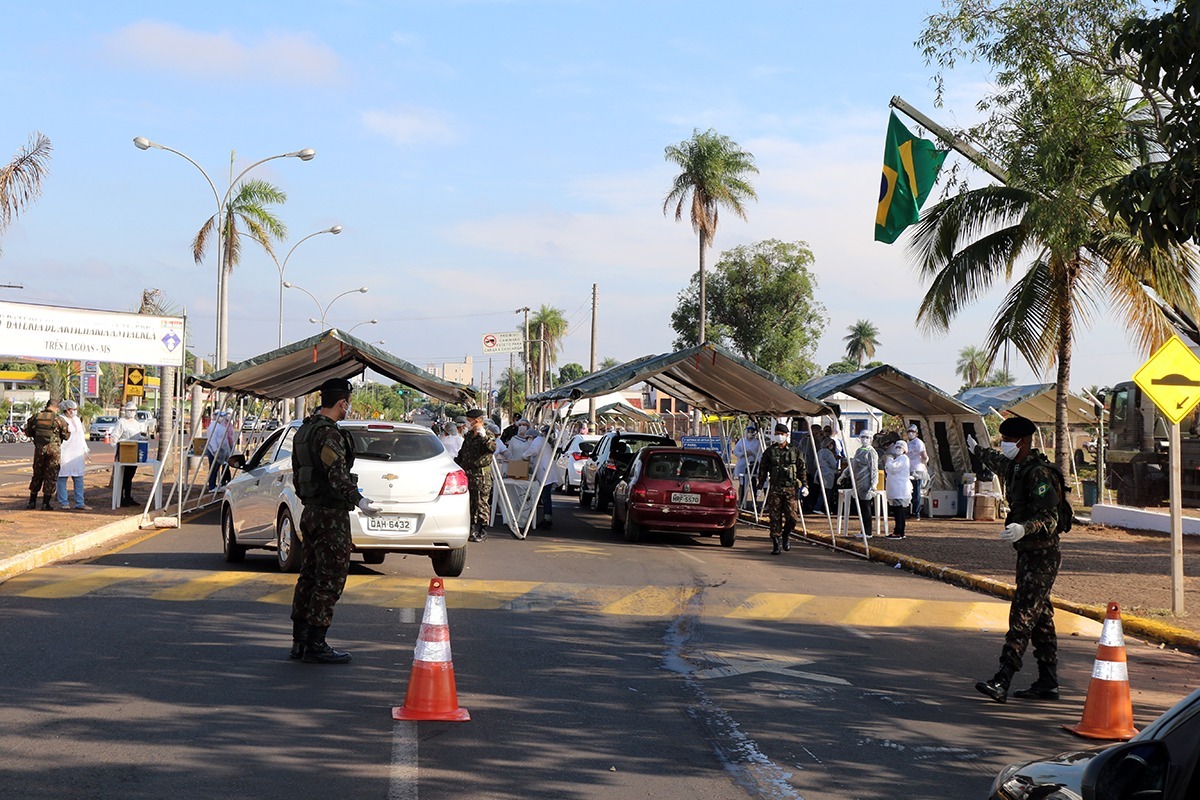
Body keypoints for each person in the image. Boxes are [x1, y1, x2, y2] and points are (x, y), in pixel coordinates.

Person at [969, 416, 1067, 703]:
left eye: (1008, 440)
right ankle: (1048, 682)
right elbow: (997, 460)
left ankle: (1003, 678)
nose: (1004, 444)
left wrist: (1025, 527)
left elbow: (1049, 517)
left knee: (1022, 615)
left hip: (1043, 555)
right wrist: (977, 449)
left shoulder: (1039, 474)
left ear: (1021, 442)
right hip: (1027, 553)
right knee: (1042, 619)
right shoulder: (1017, 466)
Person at [289, 378, 382, 664]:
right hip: (331, 515)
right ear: (342, 402)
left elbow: (298, 472)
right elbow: (337, 475)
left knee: (309, 575)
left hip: (311, 511)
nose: (348, 408)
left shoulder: (304, 431)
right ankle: (316, 643)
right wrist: (360, 501)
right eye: (348, 403)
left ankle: (300, 640)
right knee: (330, 578)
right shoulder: (328, 435)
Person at [759, 422, 807, 555]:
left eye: (782, 434)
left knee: (792, 517)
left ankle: (786, 535)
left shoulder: (795, 451)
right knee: (775, 517)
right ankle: (776, 543)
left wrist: (805, 485)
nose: (779, 436)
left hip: (790, 489)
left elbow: (802, 469)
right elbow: (763, 469)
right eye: (777, 434)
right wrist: (760, 485)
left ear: (787, 435)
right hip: (775, 488)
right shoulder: (770, 451)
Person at [456, 409, 497, 542]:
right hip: (468, 474)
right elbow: (463, 453)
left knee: (481, 502)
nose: (468, 423)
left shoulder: (487, 435)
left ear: (477, 421)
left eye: (469, 421)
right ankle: (472, 529)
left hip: (481, 475)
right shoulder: (469, 435)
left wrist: (484, 437)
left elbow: (492, 448)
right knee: (471, 503)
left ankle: (482, 529)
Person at [25, 398, 71, 510]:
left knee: (37, 474)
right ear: (56, 408)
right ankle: (46, 503)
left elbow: (28, 432)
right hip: (53, 451)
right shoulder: (58, 419)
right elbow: (66, 435)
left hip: (39, 450)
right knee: (51, 475)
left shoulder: (36, 417)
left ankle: (32, 502)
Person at [56, 400, 90, 511]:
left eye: (75, 409)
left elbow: (81, 437)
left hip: (77, 454)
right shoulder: (60, 420)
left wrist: (85, 450)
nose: (74, 411)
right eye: (72, 409)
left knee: (79, 478)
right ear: (66, 409)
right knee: (62, 478)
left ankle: (80, 502)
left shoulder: (77, 420)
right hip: (64, 453)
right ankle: (64, 502)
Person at [112, 402, 146, 507]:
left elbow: (138, 436)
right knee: (123, 476)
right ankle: (120, 498)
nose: (131, 412)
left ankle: (128, 497)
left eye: (133, 410)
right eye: (130, 410)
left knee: (130, 476)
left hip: (134, 453)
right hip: (124, 453)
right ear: (126, 411)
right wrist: (117, 450)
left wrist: (143, 438)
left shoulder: (136, 423)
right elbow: (114, 437)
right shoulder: (121, 422)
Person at [528, 424, 558, 528]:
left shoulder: (538, 441)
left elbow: (533, 451)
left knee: (545, 496)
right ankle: (547, 517)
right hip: (545, 471)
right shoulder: (542, 441)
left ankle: (547, 519)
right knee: (545, 496)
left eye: (529, 438)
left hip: (546, 472)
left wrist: (524, 455)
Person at [850, 432, 878, 537]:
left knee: (866, 508)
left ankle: (868, 531)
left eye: (867, 437)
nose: (864, 439)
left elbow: (874, 469)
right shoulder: (859, 451)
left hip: (866, 483)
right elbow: (853, 465)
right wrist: (844, 474)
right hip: (858, 482)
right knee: (861, 508)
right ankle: (863, 530)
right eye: (862, 437)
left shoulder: (871, 452)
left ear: (871, 439)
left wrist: (874, 483)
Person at [883, 439, 911, 539]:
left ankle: (898, 531)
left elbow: (893, 468)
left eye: (900, 447)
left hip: (900, 489)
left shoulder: (903, 459)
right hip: (895, 489)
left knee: (899, 511)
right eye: (897, 447)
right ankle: (899, 531)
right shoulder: (898, 459)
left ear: (904, 449)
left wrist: (889, 460)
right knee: (897, 511)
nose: (898, 449)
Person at [203, 410, 236, 492]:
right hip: (214, 451)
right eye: (220, 416)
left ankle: (215, 485)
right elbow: (212, 440)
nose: (222, 418)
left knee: (216, 468)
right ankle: (212, 486)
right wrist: (215, 450)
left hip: (221, 451)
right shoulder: (213, 426)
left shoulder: (220, 425)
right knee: (213, 468)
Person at [731, 424, 761, 507]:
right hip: (743, 464)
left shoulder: (757, 442)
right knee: (742, 484)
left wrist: (753, 454)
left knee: (753, 484)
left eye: (752, 432)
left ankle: (754, 502)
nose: (750, 433)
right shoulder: (742, 441)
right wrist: (743, 454)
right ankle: (741, 501)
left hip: (753, 464)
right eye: (749, 432)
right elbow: (736, 451)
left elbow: (759, 454)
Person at [905, 424, 929, 518]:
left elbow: (924, 455)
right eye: (909, 432)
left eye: (912, 432)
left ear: (916, 433)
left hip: (917, 470)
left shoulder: (918, 443)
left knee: (916, 491)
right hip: (909, 469)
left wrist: (924, 464)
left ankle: (916, 512)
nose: (910, 433)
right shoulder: (908, 443)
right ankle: (910, 510)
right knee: (909, 491)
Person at [815, 437, 842, 514]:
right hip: (827, 474)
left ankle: (824, 508)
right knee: (827, 492)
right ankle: (820, 507)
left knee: (822, 491)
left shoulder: (819, 451)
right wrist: (836, 459)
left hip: (819, 473)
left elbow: (815, 463)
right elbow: (833, 465)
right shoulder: (829, 453)